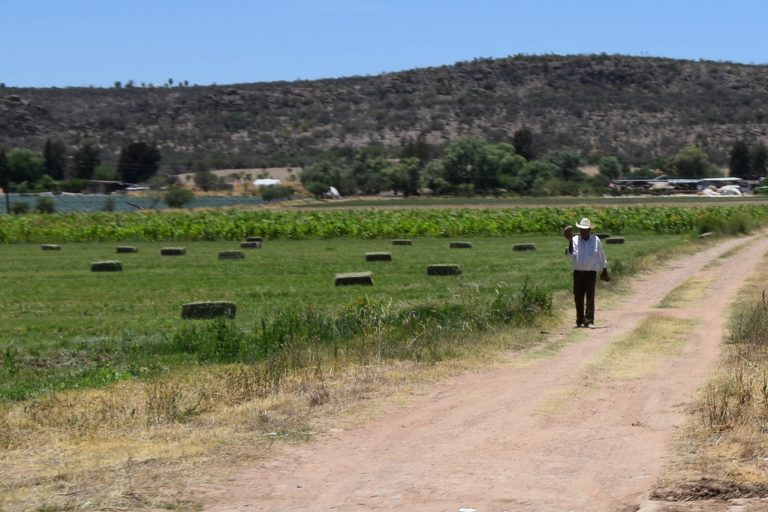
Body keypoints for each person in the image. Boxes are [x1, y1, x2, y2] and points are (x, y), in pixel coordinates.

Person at [563, 217, 609, 328]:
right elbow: (570, 254)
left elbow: (601, 254)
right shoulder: (575, 240)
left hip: (590, 273)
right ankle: (580, 320)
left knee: (590, 297)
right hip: (578, 273)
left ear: (589, 230)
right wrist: (569, 240)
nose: (582, 231)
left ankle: (589, 321)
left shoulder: (595, 240)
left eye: (585, 229)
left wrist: (604, 268)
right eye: (581, 229)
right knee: (578, 297)